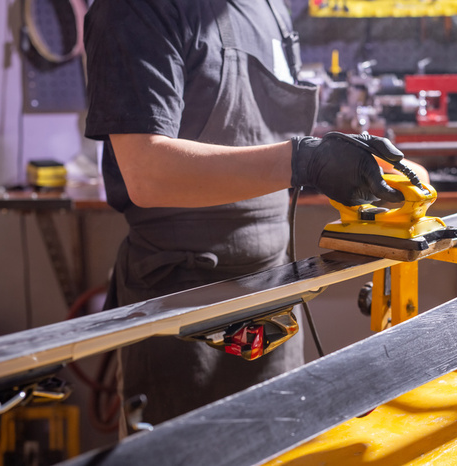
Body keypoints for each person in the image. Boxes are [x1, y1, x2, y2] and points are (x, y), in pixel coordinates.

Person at [84, 0, 427, 433]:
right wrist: (305, 161)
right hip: (181, 301)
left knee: (286, 447)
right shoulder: (136, 10)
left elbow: (267, 143)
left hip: (276, 295)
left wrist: (366, 172)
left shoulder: (268, 7)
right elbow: (147, 174)